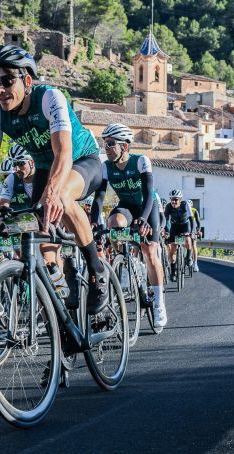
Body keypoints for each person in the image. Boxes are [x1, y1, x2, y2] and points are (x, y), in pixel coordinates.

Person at [0, 45, 110, 314]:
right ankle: (62, 296)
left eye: (7, 80)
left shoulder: (50, 98)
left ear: (27, 80)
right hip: (46, 166)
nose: (0, 89)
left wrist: (52, 194)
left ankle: (96, 268)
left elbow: (63, 151)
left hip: (81, 160)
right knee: (35, 229)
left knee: (62, 199)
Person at [92, 123, 167, 328]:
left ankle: (159, 303)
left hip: (147, 207)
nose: (106, 148)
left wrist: (142, 220)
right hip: (126, 206)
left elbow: (149, 192)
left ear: (124, 147)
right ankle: (125, 261)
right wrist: (93, 222)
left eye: (110, 144)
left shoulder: (141, 161)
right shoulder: (106, 166)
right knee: (114, 223)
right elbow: (99, 197)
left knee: (150, 251)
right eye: (104, 143)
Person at [164, 189, 195, 280]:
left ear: (180, 200)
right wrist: (166, 231)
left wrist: (192, 232)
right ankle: (173, 272)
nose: (173, 201)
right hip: (175, 226)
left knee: (188, 241)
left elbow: (191, 218)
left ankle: (189, 257)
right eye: (172, 199)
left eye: (176, 199)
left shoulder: (185, 204)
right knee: (173, 248)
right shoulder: (169, 206)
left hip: (185, 225)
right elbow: (165, 220)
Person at [0, 144, 34, 210]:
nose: (16, 169)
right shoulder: (11, 179)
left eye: (20, 164)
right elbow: (3, 204)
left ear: (32, 163)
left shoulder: (47, 176)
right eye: (13, 164)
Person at [190, 204, 202, 272]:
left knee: (194, 245)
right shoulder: (182, 210)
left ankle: (195, 263)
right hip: (183, 229)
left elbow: (198, 222)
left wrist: (198, 230)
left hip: (193, 230)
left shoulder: (194, 211)